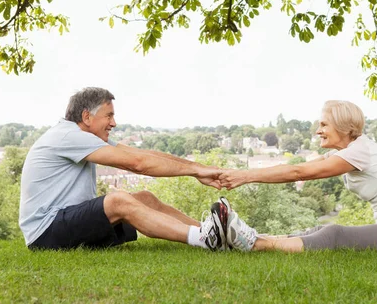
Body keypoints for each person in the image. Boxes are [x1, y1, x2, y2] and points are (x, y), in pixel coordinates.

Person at [19, 87, 229, 251]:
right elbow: (136, 164)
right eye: (108, 116)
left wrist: (198, 168)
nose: (114, 123)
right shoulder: (68, 136)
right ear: (86, 117)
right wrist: (195, 171)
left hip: (69, 223)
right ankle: (203, 239)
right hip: (46, 233)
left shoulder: (84, 137)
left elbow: (143, 155)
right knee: (117, 201)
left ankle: (219, 236)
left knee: (145, 198)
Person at [219, 100, 377, 253]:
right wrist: (235, 173)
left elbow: (298, 173)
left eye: (323, 125)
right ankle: (253, 237)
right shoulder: (348, 151)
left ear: (344, 127)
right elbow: (298, 166)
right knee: (319, 229)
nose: (317, 131)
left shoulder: (360, 151)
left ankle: (255, 245)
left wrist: (244, 177)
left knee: (334, 233)